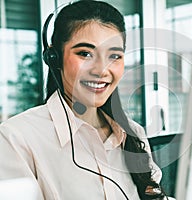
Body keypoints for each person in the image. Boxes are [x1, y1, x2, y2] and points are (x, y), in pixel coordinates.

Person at [0, 1, 166, 199]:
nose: (101, 70)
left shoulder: (133, 134)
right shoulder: (16, 138)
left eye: (114, 55)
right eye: (85, 53)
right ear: (55, 57)